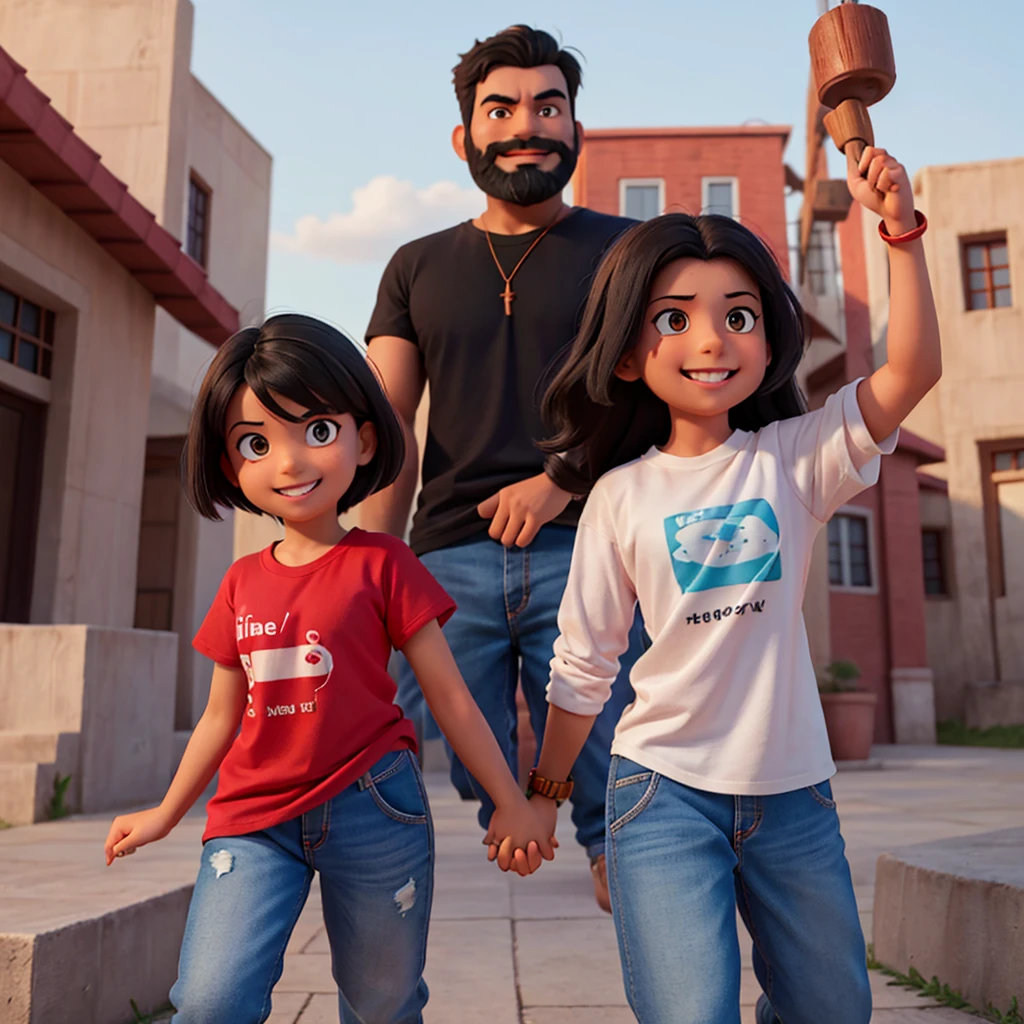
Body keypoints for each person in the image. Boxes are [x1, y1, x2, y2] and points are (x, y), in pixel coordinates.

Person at [514, 146, 940, 1023]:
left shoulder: (795, 462)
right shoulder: (620, 496)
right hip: (659, 794)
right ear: (629, 355)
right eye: (674, 319)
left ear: (768, 340)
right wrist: (546, 799)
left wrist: (898, 232)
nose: (711, 340)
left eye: (738, 315)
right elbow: (581, 668)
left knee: (834, 1011)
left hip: (794, 797)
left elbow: (910, 375)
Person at [102, 314, 553, 1024]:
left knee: (382, 1003)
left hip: (375, 806)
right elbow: (222, 715)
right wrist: (167, 812)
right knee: (211, 999)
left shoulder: (384, 565)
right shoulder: (239, 583)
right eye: (256, 443)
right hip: (252, 819)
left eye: (316, 431)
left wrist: (510, 799)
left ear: (363, 437)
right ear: (231, 465)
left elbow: (451, 698)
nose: (289, 463)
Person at [360, 24, 645, 912]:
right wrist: (364, 572)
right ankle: (518, 810)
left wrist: (563, 474)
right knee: (451, 738)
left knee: (612, 755)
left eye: (548, 105)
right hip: (447, 553)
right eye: (502, 108)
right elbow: (385, 428)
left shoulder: (629, 253)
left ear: (576, 129)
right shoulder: (414, 265)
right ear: (465, 136)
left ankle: (615, 861)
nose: (527, 124)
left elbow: (667, 395)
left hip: (594, 545)